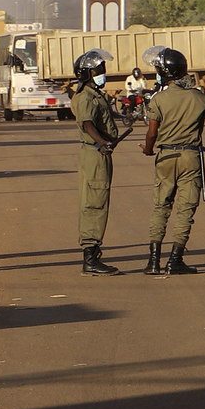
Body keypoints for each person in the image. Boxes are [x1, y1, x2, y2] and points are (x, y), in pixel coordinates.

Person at [138, 47, 205, 275]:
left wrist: (148, 150)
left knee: (161, 206)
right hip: (190, 156)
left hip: (166, 156)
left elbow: (152, 133)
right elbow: (198, 130)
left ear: (165, 73)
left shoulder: (159, 99)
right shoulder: (199, 98)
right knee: (186, 209)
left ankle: (153, 262)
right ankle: (175, 260)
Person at [70, 48, 121, 275]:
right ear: (88, 73)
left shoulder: (95, 94)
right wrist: (102, 142)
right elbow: (87, 123)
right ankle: (90, 257)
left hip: (98, 153)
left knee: (98, 200)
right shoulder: (86, 97)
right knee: (94, 203)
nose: (103, 73)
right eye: (99, 70)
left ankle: (93, 254)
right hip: (94, 153)